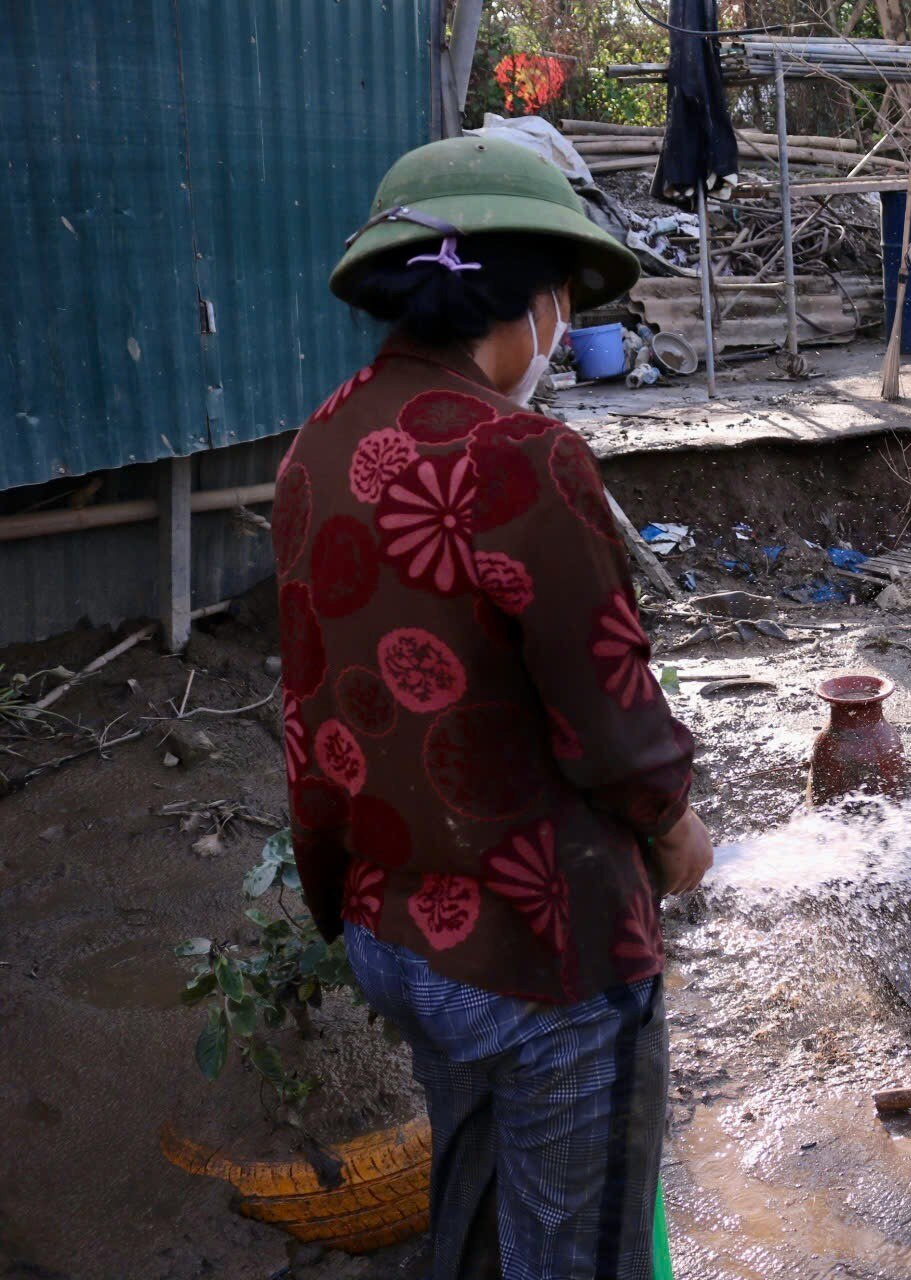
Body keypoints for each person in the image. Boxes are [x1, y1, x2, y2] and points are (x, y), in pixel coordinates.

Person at [277, 136, 710, 1278]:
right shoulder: (524, 457)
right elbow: (611, 717)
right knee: (576, 1251)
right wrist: (677, 831)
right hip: (541, 952)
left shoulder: (315, 449)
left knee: (476, 1203)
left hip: (395, 930)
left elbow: (311, 704)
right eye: (562, 305)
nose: (561, 335)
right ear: (527, 303)